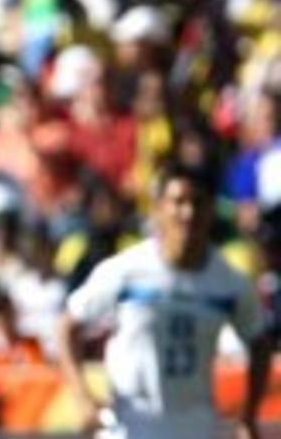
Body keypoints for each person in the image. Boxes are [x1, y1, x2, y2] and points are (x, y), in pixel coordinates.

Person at [58, 164, 271, 439]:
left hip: (195, 427)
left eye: (198, 203)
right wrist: (82, 397)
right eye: (178, 202)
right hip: (129, 425)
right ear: (158, 209)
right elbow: (67, 327)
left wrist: (249, 414)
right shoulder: (126, 271)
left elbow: (259, 342)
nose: (188, 213)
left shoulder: (229, 283)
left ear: (211, 210)